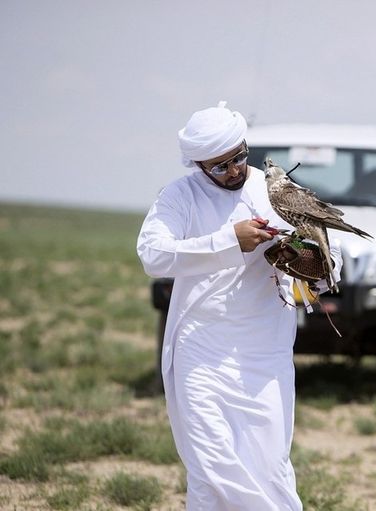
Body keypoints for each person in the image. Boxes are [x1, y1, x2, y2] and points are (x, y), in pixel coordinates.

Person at [137, 101, 341, 510]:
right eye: (218, 166)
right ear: (198, 165)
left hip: (264, 351)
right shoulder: (179, 196)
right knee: (211, 467)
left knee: (268, 466)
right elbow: (153, 255)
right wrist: (230, 241)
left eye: (239, 158)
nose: (232, 171)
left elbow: (326, 262)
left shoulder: (275, 191)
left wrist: (316, 264)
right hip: (201, 349)